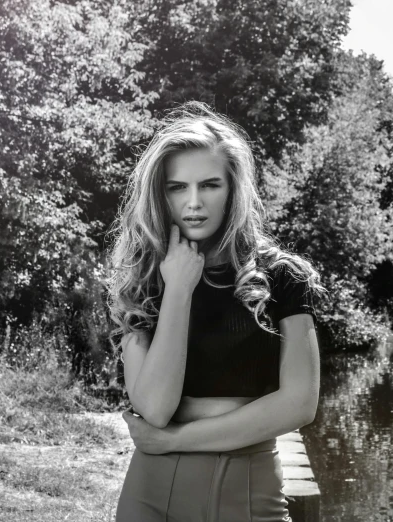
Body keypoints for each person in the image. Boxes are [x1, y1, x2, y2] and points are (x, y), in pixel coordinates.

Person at [105, 101, 326, 522]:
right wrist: (179, 289)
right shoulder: (143, 279)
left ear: (233, 188)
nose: (193, 203)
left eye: (209, 185)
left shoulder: (282, 277)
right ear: (159, 193)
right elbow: (154, 408)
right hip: (152, 498)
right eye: (176, 187)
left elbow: (300, 404)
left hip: (250, 495)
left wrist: (175, 439)